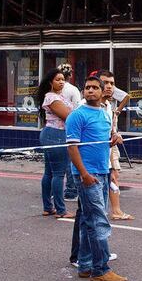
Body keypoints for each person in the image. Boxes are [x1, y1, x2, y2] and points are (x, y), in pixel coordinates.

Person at [66, 75, 126, 281]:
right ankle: (101, 268)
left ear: (102, 93)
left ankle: (85, 265)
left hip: (102, 172)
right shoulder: (77, 116)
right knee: (99, 221)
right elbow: (72, 148)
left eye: (94, 88)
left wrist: (114, 139)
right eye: (87, 88)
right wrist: (83, 174)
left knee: (87, 220)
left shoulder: (104, 114)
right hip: (87, 175)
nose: (90, 91)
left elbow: (103, 142)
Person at [94, 70, 133, 221]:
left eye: (112, 83)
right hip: (98, 148)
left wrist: (115, 134)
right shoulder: (87, 106)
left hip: (110, 146)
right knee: (104, 179)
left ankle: (114, 210)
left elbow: (110, 129)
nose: (109, 86)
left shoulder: (109, 106)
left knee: (113, 176)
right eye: (105, 83)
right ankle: (106, 211)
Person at [36, 68, 74, 218]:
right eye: (58, 79)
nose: (61, 82)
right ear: (50, 82)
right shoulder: (52, 98)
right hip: (56, 135)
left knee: (49, 172)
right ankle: (60, 210)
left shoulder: (57, 96)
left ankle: (48, 207)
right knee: (58, 174)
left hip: (52, 134)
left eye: (63, 79)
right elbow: (68, 117)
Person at [58, 63, 81, 201]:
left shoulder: (53, 90)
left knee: (55, 164)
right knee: (70, 160)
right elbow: (78, 110)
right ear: (70, 75)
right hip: (69, 128)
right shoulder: (73, 89)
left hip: (53, 130)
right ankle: (71, 191)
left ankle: (54, 192)